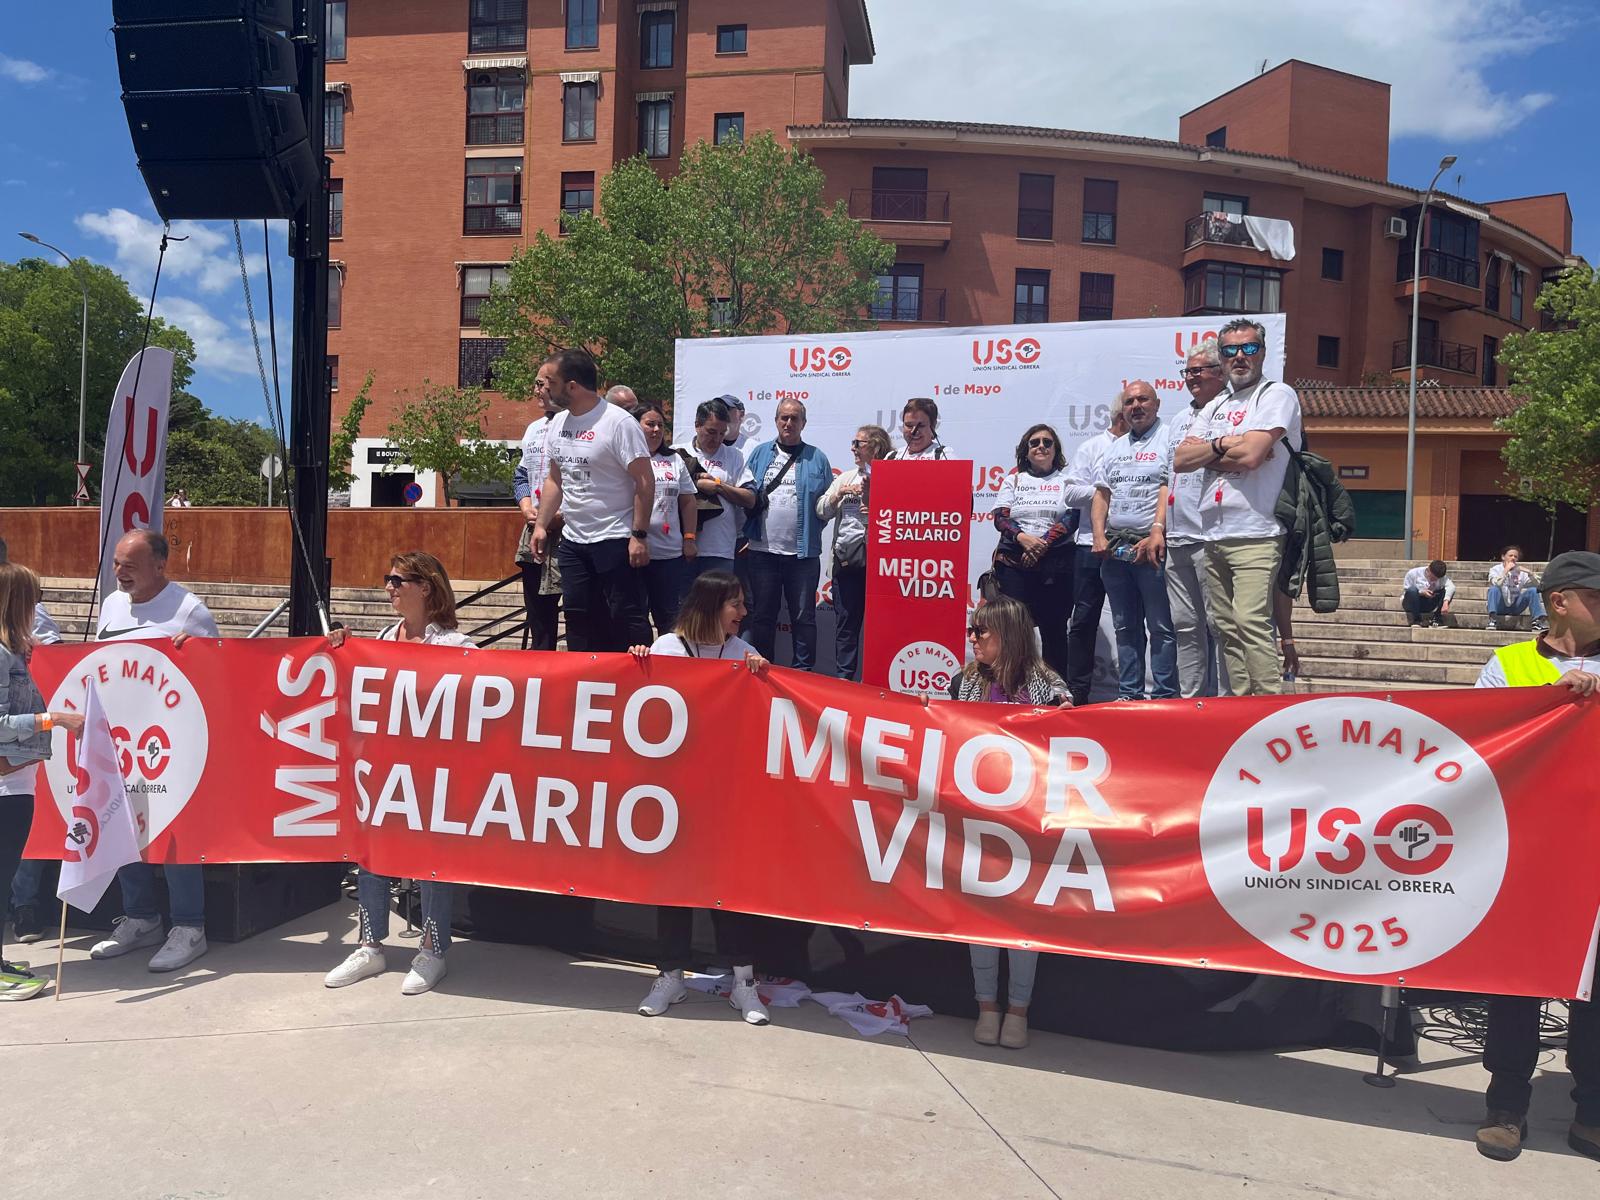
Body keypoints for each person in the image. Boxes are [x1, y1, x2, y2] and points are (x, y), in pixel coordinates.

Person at [1470, 550, 1600, 1162]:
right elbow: (1482, 744)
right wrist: (1551, 702)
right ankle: (1506, 1104)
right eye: (1595, 598)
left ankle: (1592, 1109)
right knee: (1518, 978)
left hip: (1594, 849)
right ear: (1559, 602)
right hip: (1528, 847)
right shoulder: (1508, 664)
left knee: (1596, 985)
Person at [627, 569, 775, 1026]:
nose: (744, 612)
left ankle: (743, 982)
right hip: (672, 791)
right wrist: (636, 664)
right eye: (736, 604)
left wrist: (763, 677)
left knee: (727, 887)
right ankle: (670, 975)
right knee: (673, 885)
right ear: (712, 607)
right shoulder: (666, 649)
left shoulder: (743, 652)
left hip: (725, 795)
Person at [324, 552, 473, 995]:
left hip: (434, 770)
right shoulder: (381, 639)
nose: (388, 587)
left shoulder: (457, 645)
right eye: (387, 579)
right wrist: (343, 648)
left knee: (432, 860)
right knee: (372, 852)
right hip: (383, 765)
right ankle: (370, 945)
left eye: (397, 580)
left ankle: (433, 949)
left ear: (424, 587)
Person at [88, 529, 220, 973]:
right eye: (116, 563)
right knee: (123, 827)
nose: (119, 572)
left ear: (160, 565)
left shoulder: (189, 610)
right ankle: (142, 917)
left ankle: (190, 926)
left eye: (130, 565)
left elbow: (216, 671)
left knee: (174, 831)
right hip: (118, 739)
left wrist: (196, 655)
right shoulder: (111, 604)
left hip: (170, 743)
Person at [946, 595, 1070, 1049]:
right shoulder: (963, 682)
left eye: (981, 631)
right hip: (978, 817)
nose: (972, 639)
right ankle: (986, 1006)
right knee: (981, 913)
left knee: (1021, 918)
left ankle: (1018, 1009)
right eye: (971, 630)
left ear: (1008, 634)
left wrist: (1065, 719)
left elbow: (1068, 744)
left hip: (1028, 820)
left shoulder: (1049, 686)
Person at [1172, 317, 1303, 697]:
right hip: (1213, 533)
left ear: (1262, 353)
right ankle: (1240, 706)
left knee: (1250, 621)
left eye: (1249, 348)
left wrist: (1211, 453)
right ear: (1222, 357)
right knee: (1225, 626)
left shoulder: (1276, 395)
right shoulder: (1216, 404)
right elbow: (1181, 460)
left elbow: (1252, 456)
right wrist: (1223, 445)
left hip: (1257, 530)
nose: (1240, 356)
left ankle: (1268, 705)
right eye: (1230, 350)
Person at [531, 348, 656, 654]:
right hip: (574, 541)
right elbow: (555, 479)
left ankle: (635, 677)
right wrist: (541, 525)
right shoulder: (558, 423)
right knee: (577, 616)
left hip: (614, 537)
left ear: (572, 386)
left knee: (624, 616)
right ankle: (584, 677)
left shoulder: (618, 422)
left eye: (551, 383)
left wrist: (639, 535)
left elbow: (644, 481)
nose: (545, 389)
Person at [1, 561, 85, 1000]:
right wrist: (54, 719)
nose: (38, 607)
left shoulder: (12, 651)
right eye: (33, 598)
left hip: (17, 779)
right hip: (6, 785)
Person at [1093, 380, 1177, 700]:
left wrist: (1157, 530)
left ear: (1157, 404)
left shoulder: (1169, 438)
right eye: (1129, 402)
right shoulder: (1114, 447)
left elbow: (1168, 487)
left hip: (1153, 547)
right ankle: (1130, 693)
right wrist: (1098, 536)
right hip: (1116, 551)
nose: (1136, 406)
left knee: (1161, 627)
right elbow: (1102, 494)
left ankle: (1164, 695)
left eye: (1143, 399)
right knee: (1125, 627)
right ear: (1122, 410)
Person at [741, 398, 834, 671]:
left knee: (804, 619)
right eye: (784, 417)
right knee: (762, 617)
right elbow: (745, 495)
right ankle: (763, 673)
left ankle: (802, 675)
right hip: (762, 552)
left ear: (803, 423)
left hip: (802, 555)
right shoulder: (759, 454)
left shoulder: (817, 458)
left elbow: (825, 507)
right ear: (776, 420)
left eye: (795, 418)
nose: (789, 423)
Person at [990, 423, 1076, 678]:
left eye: (1047, 442)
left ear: (1055, 449)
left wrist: (1041, 544)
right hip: (1015, 566)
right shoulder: (1013, 479)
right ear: (1025, 451)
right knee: (1013, 631)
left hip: (1055, 567)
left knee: (1055, 632)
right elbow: (1001, 517)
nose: (1041, 447)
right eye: (1034, 443)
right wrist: (1023, 539)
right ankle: (1012, 686)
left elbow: (1071, 518)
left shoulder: (1067, 481)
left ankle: (1056, 691)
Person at [1166, 340, 1227, 697]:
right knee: (1185, 625)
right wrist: (1158, 527)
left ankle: (1224, 700)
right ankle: (1192, 700)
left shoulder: (1231, 411)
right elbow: (1167, 476)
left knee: (1219, 624)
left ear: (1219, 373)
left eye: (1197, 370)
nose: (1190, 377)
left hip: (1211, 536)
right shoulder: (1178, 419)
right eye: (1187, 371)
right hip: (1176, 538)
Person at [1065, 394, 1129, 706]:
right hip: (1089, 546)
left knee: (1130, 620)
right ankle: (1077, 692)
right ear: (1120, 417)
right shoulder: (1091, 447)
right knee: (1083, 621)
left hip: (1129, 545)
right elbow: (1070, 494)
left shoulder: (1144, 448)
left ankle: (1131, 691)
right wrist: (1104, 491)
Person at [817, 424, 892, 681]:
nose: (853, 448)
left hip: (883, 565)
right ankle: (844, 682)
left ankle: (878, 682)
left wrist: (875, 507)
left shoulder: (893, 477)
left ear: (876, 447)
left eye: (858, 443)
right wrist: (838, 494)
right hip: (848, 561)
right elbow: (821, 510)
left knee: (882, 628)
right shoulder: (846, 477)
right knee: (846, 626)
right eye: (853, 443)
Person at [634, 402, 698, 635]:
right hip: (633, 553)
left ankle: (667, 657)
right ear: (635, 426)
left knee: (669, 618)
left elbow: (688, 501)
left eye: (660, 425)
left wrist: (689, 538)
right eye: (650, 424)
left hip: (669, 554)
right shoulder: (624, 458)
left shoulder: (674, 459)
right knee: (635, 617)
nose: (656, 430)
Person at [676, 397, 756, 578]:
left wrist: (718, 486)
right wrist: (695, 484)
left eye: (722, 433)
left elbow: (750, 498)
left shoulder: (735, 456)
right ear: (697, 425)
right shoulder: (677, 453)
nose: (717, 439)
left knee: (719, 598)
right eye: (711, 432)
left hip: (720, 550)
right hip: (679, 548)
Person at [513, 364, 563, 651]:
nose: (536, 390)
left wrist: (561, 516)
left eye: (541, 384)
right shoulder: (533, 428)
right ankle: (541, 661)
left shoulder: (577, 425)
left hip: (570, 530)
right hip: (534, 528)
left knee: (580, 608)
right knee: (537, 612)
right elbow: (521, 475)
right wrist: (526, 506)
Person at [1487, 546, 1547, 632]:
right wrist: (1506, 570)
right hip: (1500, 605)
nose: (1513, 558)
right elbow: (1497, 583)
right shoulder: (1495, 569)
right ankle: (1492, 620)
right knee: (1493, 589)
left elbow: (1538, 584)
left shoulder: (1520, 572)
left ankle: (1537, 622)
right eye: (1510, 555)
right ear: (1503, 557)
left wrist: (1530, 573)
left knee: (1533, 590)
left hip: (1515, 606)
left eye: (1515, 556)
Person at [887, 397, 953, 460]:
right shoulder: (891, 457)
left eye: (921, 426)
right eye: (909, 425)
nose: (914, 431)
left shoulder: (944, 456)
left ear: (933, 426)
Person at [1401, 559, 1455, 628]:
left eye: (1436, 579)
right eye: (1432, 577)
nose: (1434, 580)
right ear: (1429, 569)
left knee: (1446, 590)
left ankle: (1437, 619)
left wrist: (1446, 602)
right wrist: (1421, 593)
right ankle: (1416, 620)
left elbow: (1451, 587)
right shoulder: (1413, 573)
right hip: (1411, 603)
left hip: (1428, 603)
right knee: (1412, 590)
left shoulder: (1442, 578)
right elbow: (1407, 591)